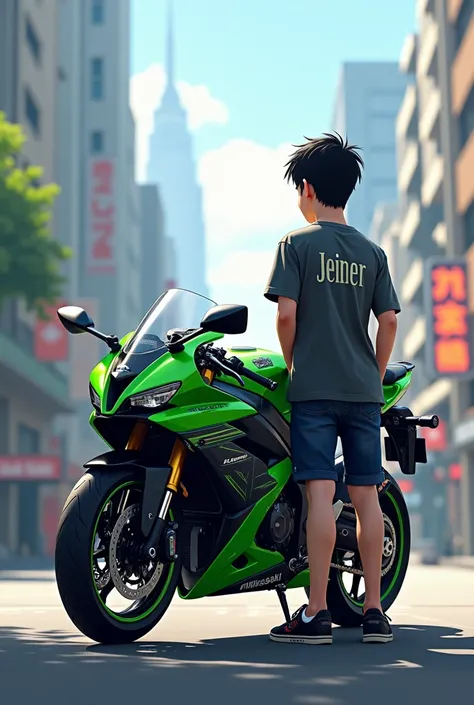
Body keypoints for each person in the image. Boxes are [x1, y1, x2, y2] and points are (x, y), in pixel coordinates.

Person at [264, 132, 400, 645]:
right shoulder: (373, 252)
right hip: (364, 393)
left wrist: (293, 363)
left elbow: (285, 314)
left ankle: (317, 611)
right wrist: (373, 370)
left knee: (320, 494)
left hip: (314, 391)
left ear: (306, 188)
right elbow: (387, 321)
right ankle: (373, 612)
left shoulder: (295, 245)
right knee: (367, 497)